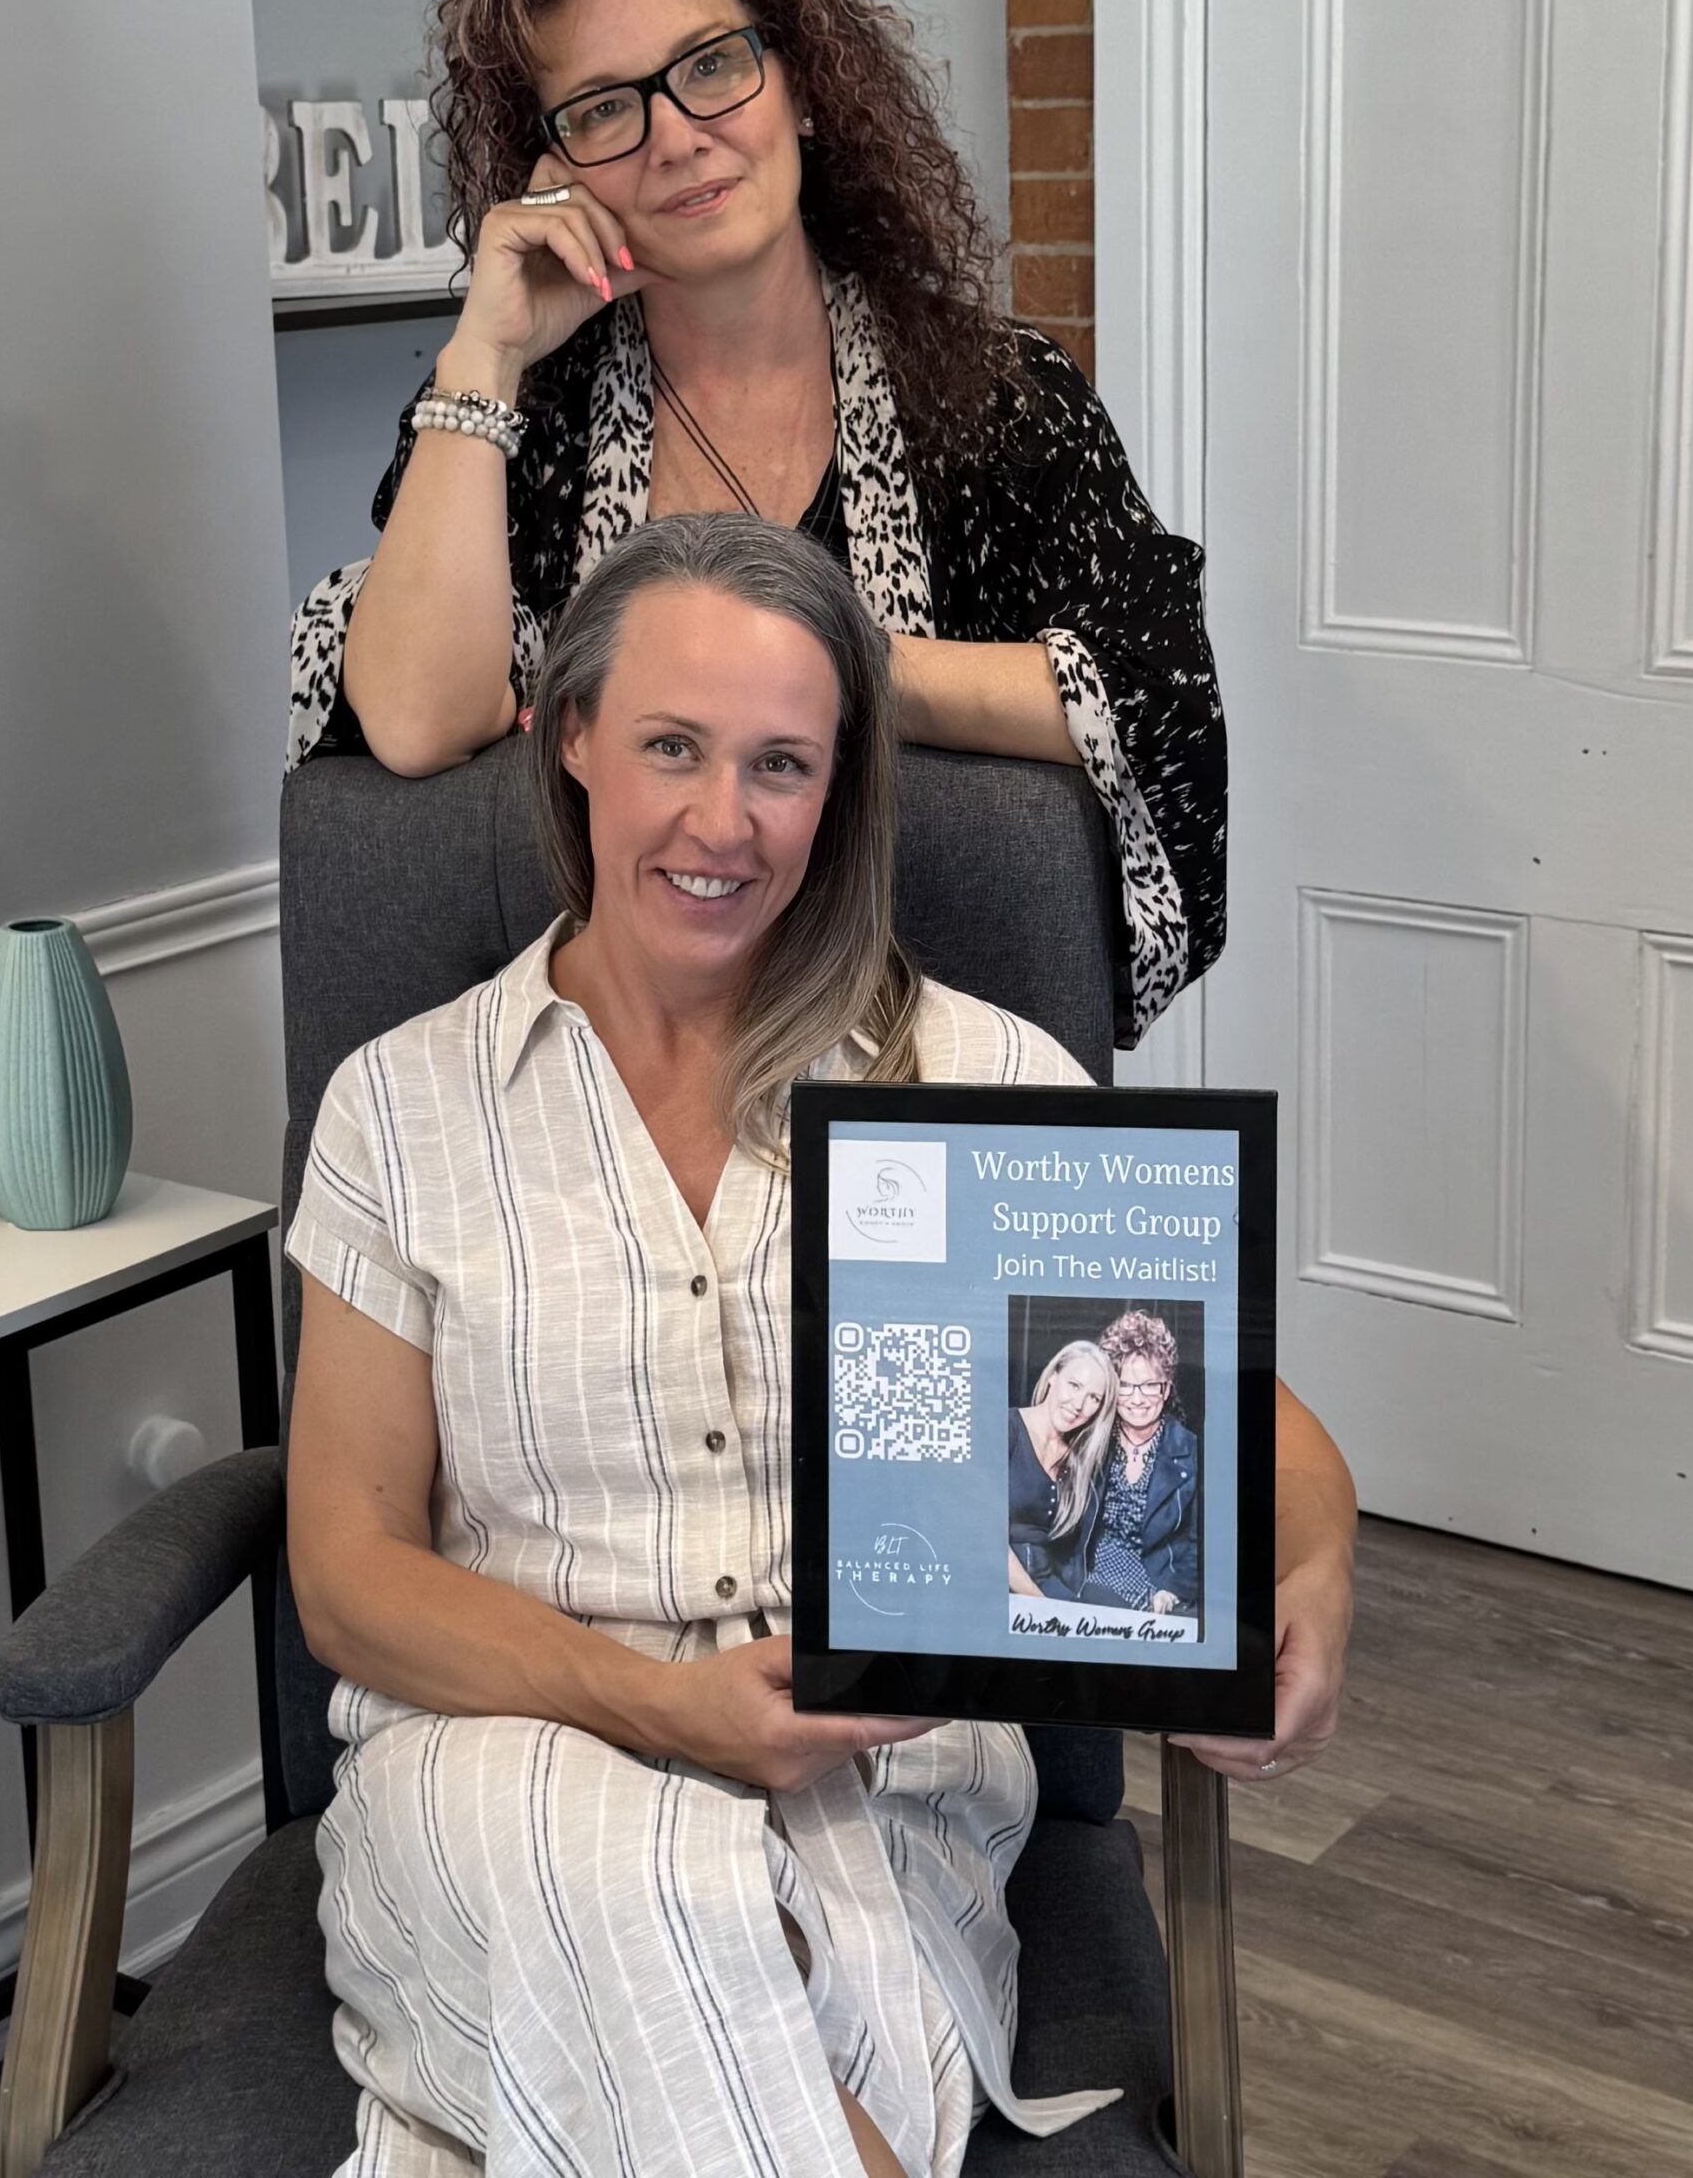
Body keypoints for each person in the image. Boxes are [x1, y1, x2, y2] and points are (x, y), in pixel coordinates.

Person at [285, 517, 1355, 2177]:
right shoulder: (404, 1107)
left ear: (838, 789)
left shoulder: (975, 1087)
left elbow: (1244, 1431)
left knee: (687, 1952)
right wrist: (656, 1708)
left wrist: (1313, 1578)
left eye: (779, 765)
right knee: (616, 1868)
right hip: (494, 1752)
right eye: (672, 747)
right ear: (572, 737)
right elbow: (350, 1576)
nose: (723, 821)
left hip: (875, 1791)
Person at [287, 0, 1225, 1048]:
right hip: (615, 1073)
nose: (677, 138)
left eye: (712, 65)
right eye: (604, 108)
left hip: (917, 1075)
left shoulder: (997, 397)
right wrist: (488, 350)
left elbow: (1153, 699)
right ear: (553, 167)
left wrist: (827, 671)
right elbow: (412, 717)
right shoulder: (529, 424)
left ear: (804, 85)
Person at [1093, 1309, 1201, 1619]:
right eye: (1125, 1385)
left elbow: (1201, 1542)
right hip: (1090, 1580)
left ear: (1166, 1389)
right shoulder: (1090, 1441)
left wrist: (1173, 1589)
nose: (1137, 1398)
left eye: (1150, 1385)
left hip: (1160, 1591)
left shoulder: (1192, 1451)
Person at [1005, 1339, 1121, 1603]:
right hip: (998, 1582)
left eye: (1094, 1398)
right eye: (1074, 1385)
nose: (1079, 1404)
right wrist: (1043, 1606)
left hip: (1047, 1584)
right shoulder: (1006, 1429)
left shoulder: (1081, 1461)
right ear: (1053, 1377)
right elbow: (982, 1536)